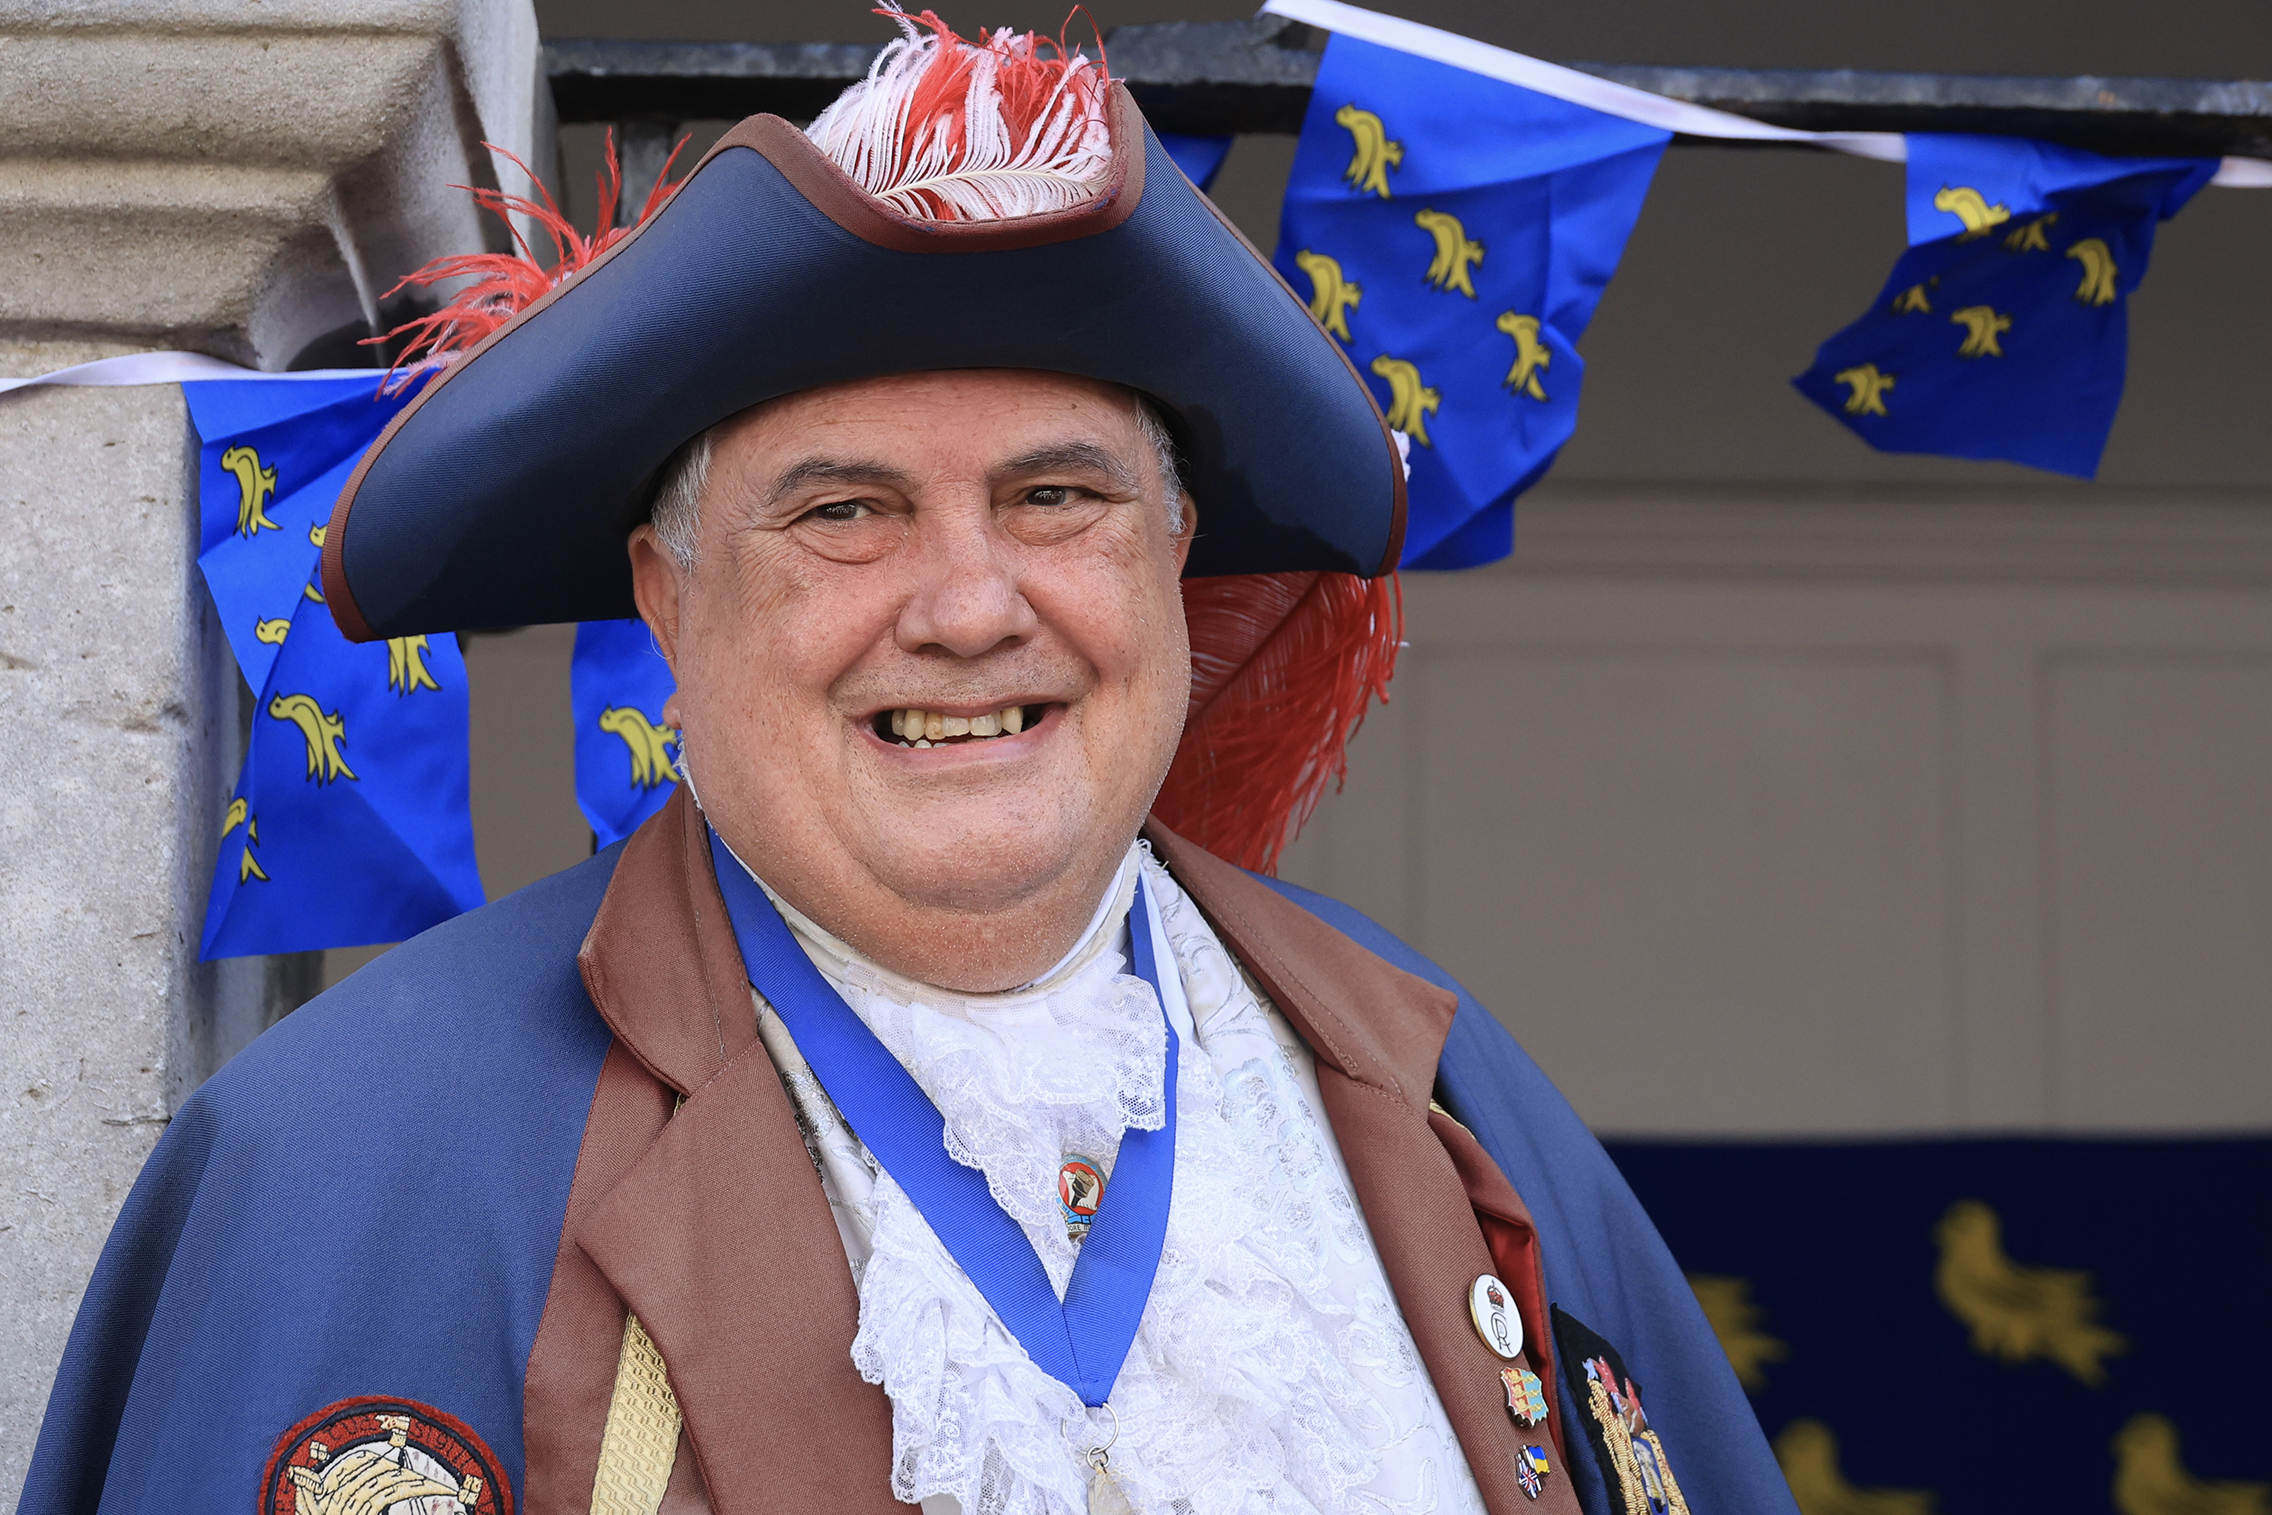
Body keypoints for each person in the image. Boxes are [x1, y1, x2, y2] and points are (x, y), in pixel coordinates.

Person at [22, 13, 1793, 1515]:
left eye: (1058, 498)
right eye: (846, 514)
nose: (967, 608)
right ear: (670, 599)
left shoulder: (1447, 1105)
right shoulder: (362, 1173)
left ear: (1173, 558)